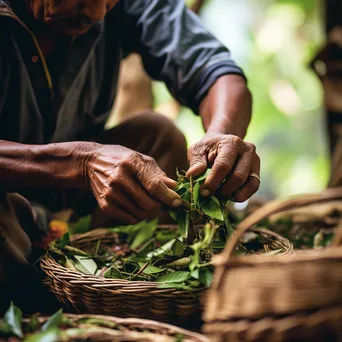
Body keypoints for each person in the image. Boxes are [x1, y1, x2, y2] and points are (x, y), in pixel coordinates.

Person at [0, 0, 260, 312]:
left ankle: (107, 281)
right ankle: (35, 296)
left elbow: (215, 71)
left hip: (66, 203)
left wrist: (221, 133)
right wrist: (78, 162)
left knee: (160, 137)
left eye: (109, 3)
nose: (96, 15)